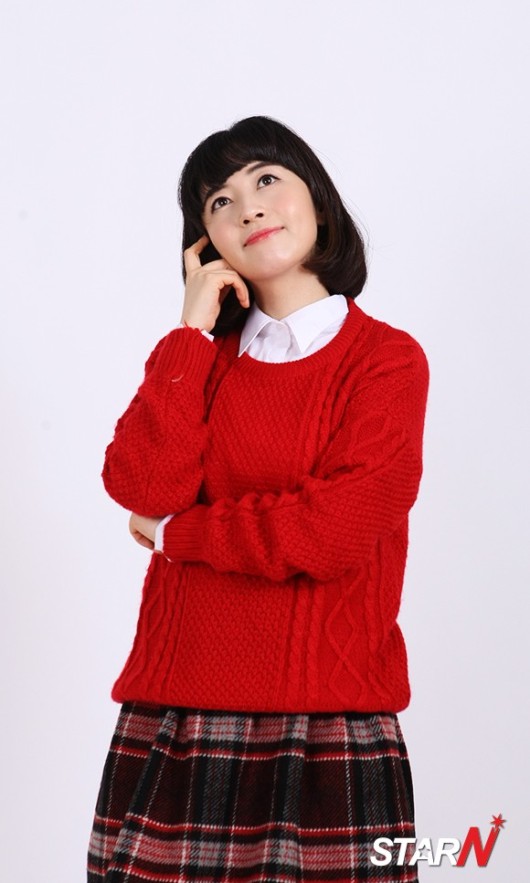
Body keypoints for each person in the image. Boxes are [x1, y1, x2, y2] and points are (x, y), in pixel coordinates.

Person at [87, 116, 429, 883]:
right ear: (206, 243)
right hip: (177, 714)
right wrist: (189, 330)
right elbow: (141, 487)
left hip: (327, 722)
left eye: (266, 179)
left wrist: (180, 536)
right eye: (220, 201)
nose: (248, 207)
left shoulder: (387, 361)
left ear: (319, 200)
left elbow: (331, 531)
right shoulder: (198, 362)